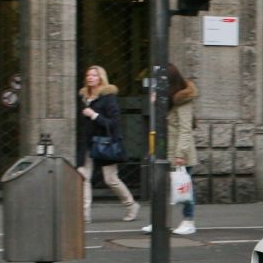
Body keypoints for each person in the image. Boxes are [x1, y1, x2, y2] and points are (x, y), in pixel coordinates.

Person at [77, 65, 139, 223]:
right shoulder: (84, 97)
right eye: (88, 75)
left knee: (110, 179)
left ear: (101, 78)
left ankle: (131, 205)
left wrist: (94, 115)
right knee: (84, 177)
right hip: (87, 143)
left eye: (94, 75)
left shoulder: (108, 97)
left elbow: (114, 123)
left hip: (105, 143)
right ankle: (85, 214)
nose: (90, 77)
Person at [143, 64, 199, 235]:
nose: (157, 84)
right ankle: (160, 221)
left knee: (183, 187)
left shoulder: (183, 100)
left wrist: (180, 155)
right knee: (161, 187)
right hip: (164, 150)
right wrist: (156, 103)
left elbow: (185, 129)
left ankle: (189, 221)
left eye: (161, 80)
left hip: (179, 152)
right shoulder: (166, 97)